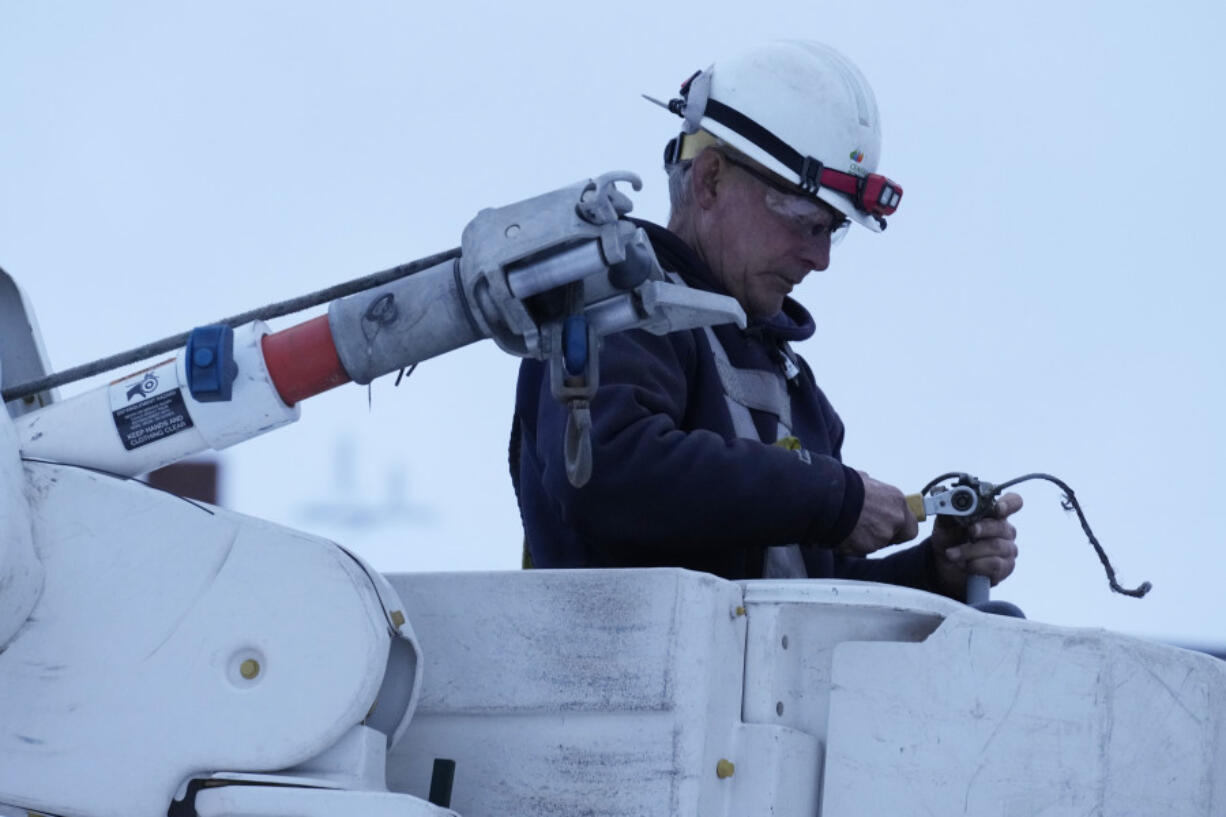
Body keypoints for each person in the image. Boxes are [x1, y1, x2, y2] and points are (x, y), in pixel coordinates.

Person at [510, 40, 1021, 599]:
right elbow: (603, 471)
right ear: (710, 181)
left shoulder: (791, 384)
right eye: (807, 222)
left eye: (834, 230)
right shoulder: (619, 310)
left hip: (745, 687)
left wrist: (931, 573)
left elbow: (805, 594)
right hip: (621, 681)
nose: (821, 260)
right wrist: (832, 497)